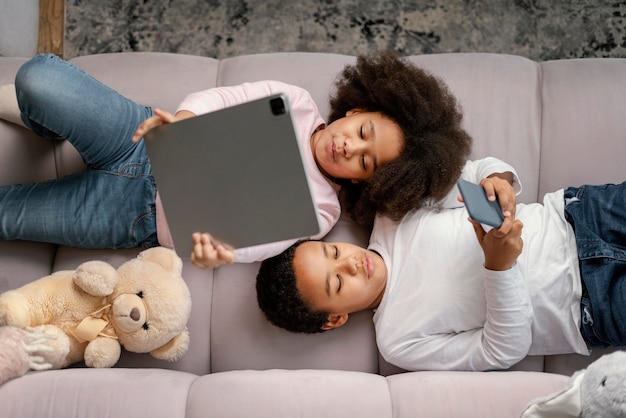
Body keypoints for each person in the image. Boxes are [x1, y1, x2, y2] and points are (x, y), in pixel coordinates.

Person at [0, 51, 472, 269]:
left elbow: (249, 247)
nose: (351, 147)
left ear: (368, 183)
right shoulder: (296, 102)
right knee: (38, 79)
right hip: (140, 137)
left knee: (8, 216)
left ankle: (48, 126)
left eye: (366, 162)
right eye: (363, 132)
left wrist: (211, 252)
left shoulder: (323, 211)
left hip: (135, 218)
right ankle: (44, 124)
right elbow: (225, 96)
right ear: (357, 109)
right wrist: (183, 120)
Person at [256, 167, 626, 372]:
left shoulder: (392, 213)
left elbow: (472, 172)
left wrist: (497, 179)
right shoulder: (397, 341)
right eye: (337, 282)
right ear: (334, 318)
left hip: (579, 215)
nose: (350, 262)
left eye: (332, 250)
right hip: (591, 307)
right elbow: (500, 352)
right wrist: (499, 268)